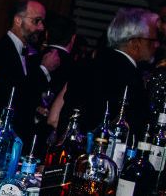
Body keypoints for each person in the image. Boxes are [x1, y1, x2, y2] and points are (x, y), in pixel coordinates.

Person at [58, 7, 155, 135]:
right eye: (152, 41)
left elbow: (61, 117)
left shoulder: (87, 64)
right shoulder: (131, 77)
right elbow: (137, 129)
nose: (157, 45)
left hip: (72, 145)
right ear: (134, 43)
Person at [0, 0, 57, 142]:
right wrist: (44, 70)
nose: (41, 27)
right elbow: (10, 95)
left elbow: (24, 92)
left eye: (42, 22)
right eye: (37, 21)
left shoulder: (28, 54)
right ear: (18, 20)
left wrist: (36, 109)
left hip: (17, 136)